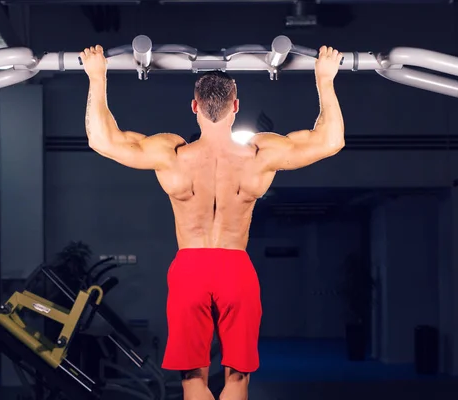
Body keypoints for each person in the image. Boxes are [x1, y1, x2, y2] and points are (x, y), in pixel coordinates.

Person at [80, 44, 344, 400]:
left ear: (195, 107)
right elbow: (330, 141)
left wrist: (97, 76)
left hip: (190, 267)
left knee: (193, 379)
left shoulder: (171, 154)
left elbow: (102, 139)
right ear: (236, 106)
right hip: (236, 267)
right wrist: (324, 79)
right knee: (237, 378)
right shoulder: (260, 155)